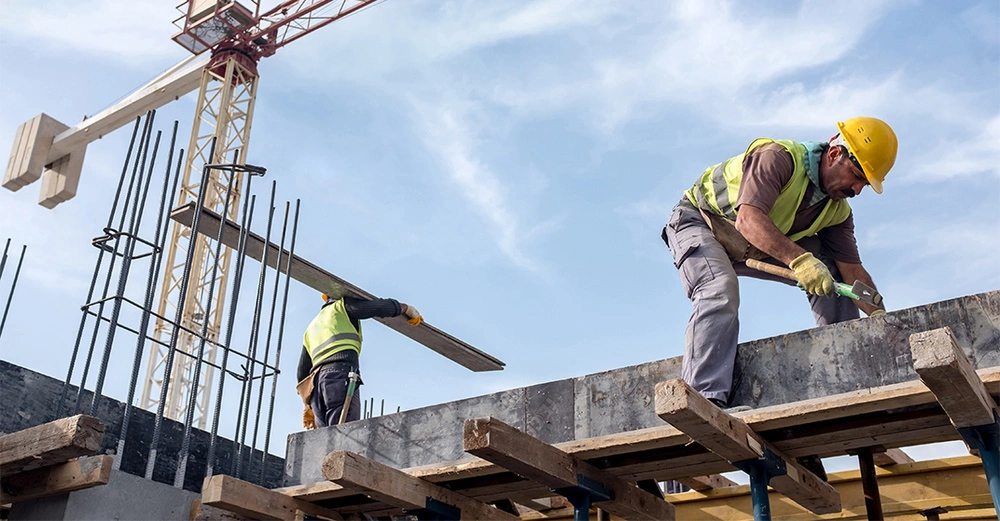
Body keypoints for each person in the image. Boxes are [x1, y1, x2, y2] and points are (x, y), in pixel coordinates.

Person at [662, 117, 894, 404]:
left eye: (865, 185)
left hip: (753, 245)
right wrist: (800, 261)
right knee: (718, 290)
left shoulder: (837, 211)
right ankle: (704, 399)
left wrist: (879, 316)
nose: (857, 190)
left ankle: (848, 375)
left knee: (831, 274)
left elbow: (852, 271)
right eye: (857, 176)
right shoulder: (778, 157)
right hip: (702, 222)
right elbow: (748, 219)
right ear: (835, 154)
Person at [296, 294, 422, 428]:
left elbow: (301, 372)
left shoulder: (312, 327)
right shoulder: (341, 307)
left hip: (316, 388)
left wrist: (307, 404)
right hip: (339, 377)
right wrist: (406, 309)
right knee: (346, 434)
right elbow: (378, 307)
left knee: (326, 440)